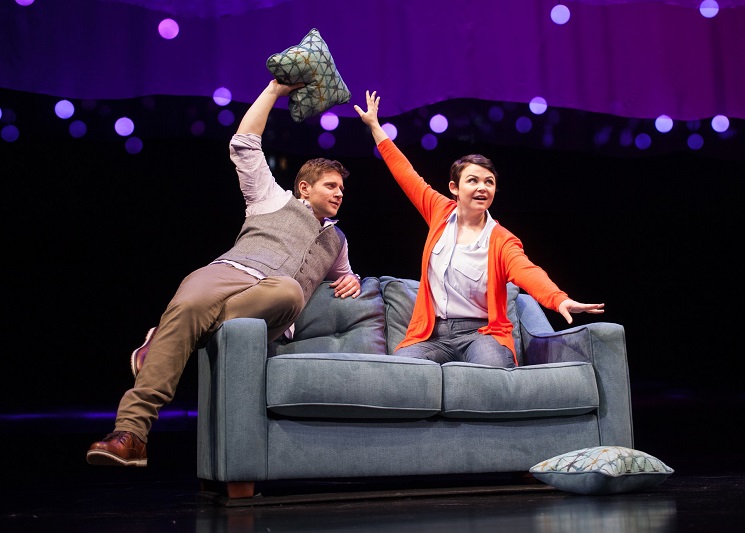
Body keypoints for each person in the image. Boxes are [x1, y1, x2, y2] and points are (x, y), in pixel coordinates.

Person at [86, 79, 362, 467]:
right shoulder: (272, 199)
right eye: (331, 186)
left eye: (342, 189)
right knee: (192, 302)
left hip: (270, 300)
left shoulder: (339, 241)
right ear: (304, 187)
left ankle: (169, 338)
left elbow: (345, 276)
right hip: (229, 273)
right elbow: (245, 142)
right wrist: (274, 91)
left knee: (289, 293)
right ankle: (131, 434)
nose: (339, 193)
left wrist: (352, 279)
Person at [355, 91, 604, 368]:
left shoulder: (501, 239)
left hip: (481, 334)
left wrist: (559, 300)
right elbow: (406, 173)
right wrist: (376, 128)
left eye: (489, 182)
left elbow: (527, 271)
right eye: (473, 180)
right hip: (432, 334)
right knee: (401, 371)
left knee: (492, 374)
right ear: (454, 189)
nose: (482, 187)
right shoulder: (439, 211)